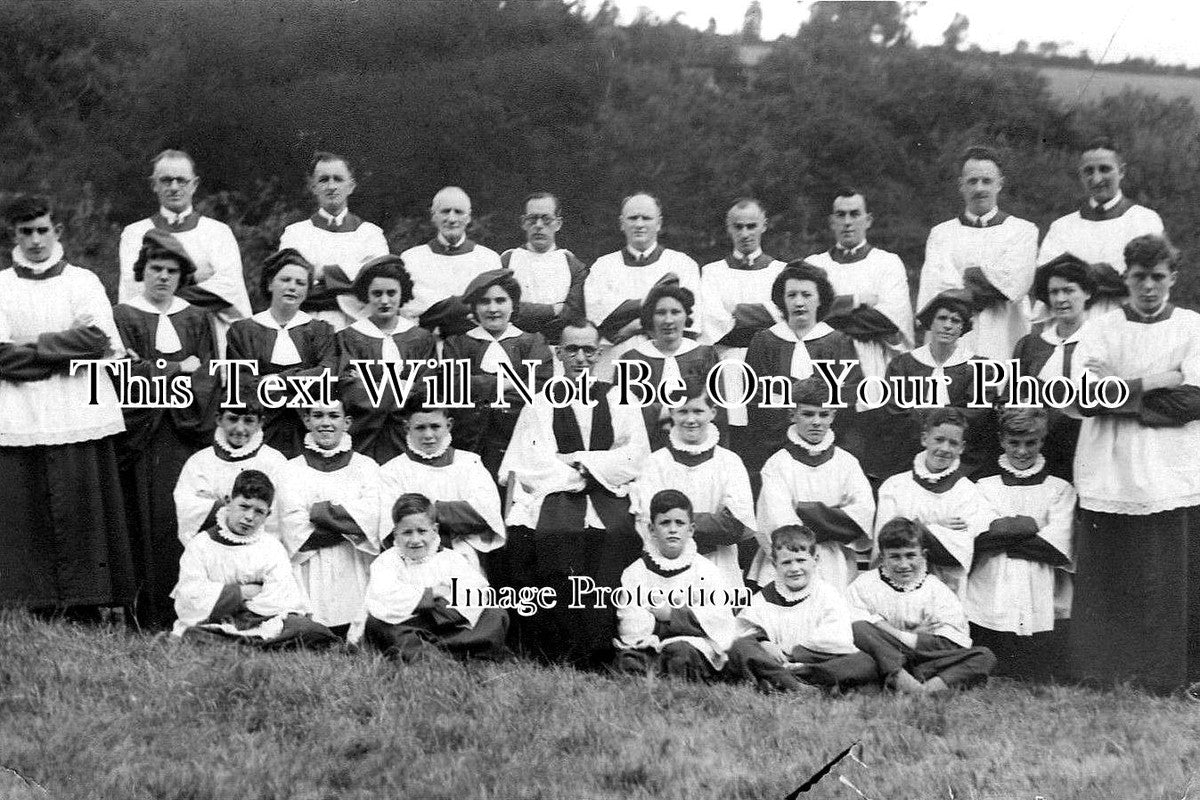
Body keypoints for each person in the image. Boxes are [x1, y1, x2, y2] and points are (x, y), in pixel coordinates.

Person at [1070, 234, 1200, 693]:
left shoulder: (1191, 326)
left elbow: (1191, 401)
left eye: (1158, 277)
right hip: (1108, 467)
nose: (1148, 287)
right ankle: (1101, 671)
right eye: (1139, 277)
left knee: (1166, 577)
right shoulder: (1100, 327)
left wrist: (1118, 391)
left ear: (1173, 279)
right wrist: (1158, 380)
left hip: (1171, 471)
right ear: (1125, 278)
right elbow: (1084, 395)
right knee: (1109, 573)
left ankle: (1166, 674)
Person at [0, 195, 133, 614]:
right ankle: (30, 601)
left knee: (80, 503)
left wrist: (33, 347)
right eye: (27, 232)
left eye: (43, 230)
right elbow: (1, 358)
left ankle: (84, 602)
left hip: (78, 409)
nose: (36, 241)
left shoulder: (83, 281)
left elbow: (99, 341)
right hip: (17, 410)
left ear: (57, 231)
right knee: (25, 506)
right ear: (14, 235)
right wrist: (61, 355)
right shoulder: (1, 285)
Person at [499, 320, 650, 666]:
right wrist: (583, 473)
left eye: (588, 350)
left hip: (608, 491)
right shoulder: (540, 401)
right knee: (556, 534)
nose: (580, 357)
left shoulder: (619, 396)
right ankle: (557, 651)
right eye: (571, 349)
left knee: (618, 535)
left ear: (599, 354)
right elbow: (530, 461)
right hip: (556, 496)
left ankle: (604, 647)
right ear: (558, 353)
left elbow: (635, 455)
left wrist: (582, 463)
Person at [114, 229, 219, 628]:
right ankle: (145, 616)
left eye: (172, 271)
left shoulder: (197, 318)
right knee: (144, 522)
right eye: (156, 269)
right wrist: (175, 368)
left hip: (186, 435)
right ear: (142, 271)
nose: (163, 277)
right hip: (142, 437)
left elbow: (208, 376)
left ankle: (194, 613)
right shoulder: (123, 315)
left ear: (181, 276)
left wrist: (155, 374)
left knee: (185, 517)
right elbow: (122, 375)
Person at [170, 470, 339, 648]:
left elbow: (281, 597)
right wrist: (241, 593)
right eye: (244, 506)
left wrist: (244, 610)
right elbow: (190, 599)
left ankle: (245, 643)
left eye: (259, 511)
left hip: (263, 621)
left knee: (309, 630)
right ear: (228, 502)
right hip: (217, 621)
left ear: (268, 514)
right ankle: (258, 644)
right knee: (193, 633)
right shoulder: (200, 545)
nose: (249, 517)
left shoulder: (271, 547)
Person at [965, 408, 1075, 681]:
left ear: (1042, 441)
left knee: (1038, 668)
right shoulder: (983, 487)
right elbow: (982, 538)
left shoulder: (1059, 489)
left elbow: (1056, 547)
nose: (1022, 451)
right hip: (991, 582)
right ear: (1002, 441)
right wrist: (1032, 526)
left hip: (1042, 584)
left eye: (1031, 443)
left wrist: (1004, 537)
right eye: (1014, 443)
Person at [117, 149, 252, 353]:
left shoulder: (218, 232)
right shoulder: (135, 233)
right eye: (166, 180)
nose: (174, 187)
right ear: (154, 184)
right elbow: (135, 290)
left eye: (182, 180)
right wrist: (194, 277)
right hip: (150, 334)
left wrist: (164, 291)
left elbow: (228, 290)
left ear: (194, 184)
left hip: (213, 335)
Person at [751, 377, 874, 592]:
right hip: (790, 563)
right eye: (808, 414)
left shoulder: (847, 462)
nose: (816, 422)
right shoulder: (778, 464)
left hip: (835, 562)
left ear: (833, 416)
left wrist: (806, 511)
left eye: (823, 414)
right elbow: (779, 524)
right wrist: (833, 517)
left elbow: (863, 514)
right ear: (792, 414)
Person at [848, 517, 997, 693]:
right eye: (895, 557)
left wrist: (891, 630)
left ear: (923, 555)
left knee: (984, 656)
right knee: (858, 629)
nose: (904, 565)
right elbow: (853, 629)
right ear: (882, 557)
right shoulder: (865, 584)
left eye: (910, 555)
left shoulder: (936, 589)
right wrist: (909, 636)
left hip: (924, 661)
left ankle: (919, 689)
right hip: (880, 658)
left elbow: (951, 641)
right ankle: (915, 688)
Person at [917, 146, 1038, 362]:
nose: (979, 188)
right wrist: (988, 282)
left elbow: (1016, 283)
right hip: (955, 337)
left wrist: (965, 281)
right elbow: (936, 290)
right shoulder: (941, 234)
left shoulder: (1023, 230)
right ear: (961, 185)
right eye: (972, 181)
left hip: (1004, 336)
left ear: (1000, 183)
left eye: (987, 181)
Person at [632, 380, 755, 590]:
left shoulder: (729, 461)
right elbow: (648, 522)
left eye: (698, 411)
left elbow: (734, 525)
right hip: (668, 569)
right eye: (683, 412)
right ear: (672, 412)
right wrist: (710, 521)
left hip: (719, 565)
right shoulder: (655, 463)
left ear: (712, 413)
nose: (691, 420)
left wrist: (672, 524)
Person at [359, 493, 510, 662]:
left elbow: (474, 590)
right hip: (409, 624)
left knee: (495, 615)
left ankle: (442, 651)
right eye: (407, 532)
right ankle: (440, 655)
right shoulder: (387, 561)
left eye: (422, 531)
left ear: (435, 530)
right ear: (395, 534)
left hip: (446, 623)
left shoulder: (451, 558)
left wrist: (442, 608)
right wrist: (431, 593)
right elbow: (384, 598)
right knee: (378, 625)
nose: (415, 540)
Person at [730, 525, 882, 693]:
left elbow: (836, 637)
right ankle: (799, 685)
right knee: (740, 646)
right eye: (786, 562)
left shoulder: (826, 593)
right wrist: (764, 642)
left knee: (865, 663)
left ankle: (784, 679)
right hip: (774, 659)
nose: (795, 569)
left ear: (815, 560)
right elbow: (745, 628)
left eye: (801, 560)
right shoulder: (765, 596)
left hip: (812, 662)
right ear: (774, 565)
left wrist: (794, 653)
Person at [743, 262, 861, 475]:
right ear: (782, 300)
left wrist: (812, 419)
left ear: (820, 299)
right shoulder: (765, 341)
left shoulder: (838, 342)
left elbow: (848, 393)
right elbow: (755, 395)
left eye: (806, 295)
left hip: (829, 445)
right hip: (774, 445)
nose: (799, 302)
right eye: (791, 295)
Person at [275, 401, 381, 637]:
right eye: (318, 415)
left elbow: (372, 519)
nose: (325, 423)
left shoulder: (366, 467)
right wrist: (347, 522)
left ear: (347, 422)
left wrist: (320, 514)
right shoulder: (291, 471)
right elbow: (293, 526)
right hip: (309, 563)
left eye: (333, 415)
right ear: (307, 420)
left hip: (354, 561)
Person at [224, 248, 339, 457]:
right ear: (270, 284)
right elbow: (243, 385)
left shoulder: (321, 330)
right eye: (285, 280)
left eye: (300, 283)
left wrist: (278, 380)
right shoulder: (243, 330)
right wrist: (303, 381)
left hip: (307, 428)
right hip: (260, 427)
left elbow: (327, 376)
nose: (292, 287)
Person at [613, 490, 738, 681]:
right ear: (652, 529)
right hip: (650, 642)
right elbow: (630, 620)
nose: (673, 530)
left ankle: (671, 680)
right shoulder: (636, 572)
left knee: (680, 654)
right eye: (665, 523)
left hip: (690, 643)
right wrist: (664, 627)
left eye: (680, 523)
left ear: (691, 529)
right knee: (628, 659)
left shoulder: (705, 570)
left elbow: (718, 618)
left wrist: (671, 615)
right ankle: (652, 676)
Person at [442, 269, 553, 476]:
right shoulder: (458, 343)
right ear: (474, 307)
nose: (493, 309)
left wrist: (478, 386)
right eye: (484, 302)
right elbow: (454, 386)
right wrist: (512, 382)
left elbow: (539, 386)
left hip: (518, 437)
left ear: (513, 305)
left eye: (501, 301)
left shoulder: (531, 342)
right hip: (468, 439)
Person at [1038, 137, 1164, 318]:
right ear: (1081, 175)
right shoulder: (1062, 227)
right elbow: (1048, 279)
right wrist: (1105, 274)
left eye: (1105, 169)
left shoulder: (1144, 220)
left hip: (1126, 320)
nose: (1096, 179)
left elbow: (1143, 278)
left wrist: (1075, 274)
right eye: (1089, 171)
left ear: (1121, 171)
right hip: (1075, 324)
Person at [873, 408, 996, 595]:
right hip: (896, 587)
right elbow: (887, 542)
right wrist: (933, 528)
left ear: (961, 448)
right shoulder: (895, 486)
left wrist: (911, 526)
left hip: (946, 589)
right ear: (925, 439)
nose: (945, 449)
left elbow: (955, 554)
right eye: (939, 439)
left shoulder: (968, 493)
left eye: (953, 443)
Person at [378, 400, 506, 577]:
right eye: (420, 428)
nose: (428, 435)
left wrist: (424, 511)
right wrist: (453, 513)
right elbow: (391, 523)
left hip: (462, 555)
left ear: (449, 425)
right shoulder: (392, 471)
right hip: (411, 562)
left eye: (435, 426)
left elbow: (484, 513)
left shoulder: (469, 463)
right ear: (407, 428)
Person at [879, 289, 997, 479]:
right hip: (910, 455)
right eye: (942, 318)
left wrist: (924, 412)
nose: (948, 326)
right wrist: (947, 413)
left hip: (964, 461)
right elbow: (896, 413)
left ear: (963, 328)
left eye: (956, 321)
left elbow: (978, 416)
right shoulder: (902, 365)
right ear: (931, 323)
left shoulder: (981, 368)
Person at [698, 199, 785, 454]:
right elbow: (713, 320)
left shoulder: (780, 270)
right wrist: (766, 311)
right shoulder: (713, 272)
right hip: (728, 361)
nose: (745, 233)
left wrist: (734, 309)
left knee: (769, 428)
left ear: (764, 226)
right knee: (734, 433)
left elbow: (784, 316)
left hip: (771, 361)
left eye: (751, 226)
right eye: (738, 227)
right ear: (729, 228)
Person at [585, 193, 702, 377]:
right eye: (632, 218)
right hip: (615, 358)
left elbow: (689, 321)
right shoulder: (603, 266)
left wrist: (633, 324)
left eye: (646, 218)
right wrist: (653, 303)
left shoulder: (682, 264)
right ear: (622, 223)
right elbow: (599, 317)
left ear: (659, 223)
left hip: (668, 357)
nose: (639, 224)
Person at [337, 255, 436, 464]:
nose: (384, 301)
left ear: (402, 294)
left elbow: (427, 388)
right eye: (377, 293)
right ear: (366, 296)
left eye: (391, 293)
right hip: (363, 433)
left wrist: (373, 385)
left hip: (408, 433)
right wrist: (402, 386)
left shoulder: (421, 338)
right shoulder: (349, 337)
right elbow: (350, 389)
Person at [807, 189, 914, 380]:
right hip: (824, 361)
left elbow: (888, 322)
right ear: (832, 222)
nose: (847, 222)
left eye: (855, 214)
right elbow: (805, 315)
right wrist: (856, 301)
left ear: (868, 220)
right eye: (841, 215)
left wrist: (829, 312)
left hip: (872, 363)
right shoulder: (814, 265)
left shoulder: (887, 262)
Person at [278, 151, 390, 330]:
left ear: (351, 186)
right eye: (323, 180)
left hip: (358, 325)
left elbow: (377, 278)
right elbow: (290, 280)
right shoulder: (295, 234)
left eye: (338, 179)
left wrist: (321, 275)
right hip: (306, 323)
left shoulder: (370, 234)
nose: (331, 186)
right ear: (313, 187)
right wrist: (348, 280)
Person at [1011, 254, 1097, 482]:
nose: (1060, 299)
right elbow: (1014, 397)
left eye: (1069, 290)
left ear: (1087, 293)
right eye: (1054, 292)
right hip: (1041, 450)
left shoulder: (1103, 341)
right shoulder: (1031, 345)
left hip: (1092, 446)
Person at [622, 283, 721, 450]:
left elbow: (717, 407)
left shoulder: (705, 355)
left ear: (686, 316)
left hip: (698, 442)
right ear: (651, 318)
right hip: (647, 445)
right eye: (660, 313)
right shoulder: (632, 359)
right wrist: (668, 410)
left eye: (675, 312)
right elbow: (624, 414)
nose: (668, 320)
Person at [174, 401, 288, 545]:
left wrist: (219, 504)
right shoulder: (199, 461)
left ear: (260, 423)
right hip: (213, 550)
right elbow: (189, 511)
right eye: (233, 419)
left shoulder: (274, 461)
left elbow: (278, 515)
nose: (240, 429)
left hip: (257, 552)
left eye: (248, 420)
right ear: (219, 419)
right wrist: (222, 507)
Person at [399, 186, 502, 338]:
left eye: (458, 212)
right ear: (434, 216)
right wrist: (465, 305)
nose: (452, 219)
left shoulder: (488, 258)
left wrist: (436, 309)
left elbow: (491, 307)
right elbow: (410, 310)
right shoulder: (411, 258)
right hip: (428, 345)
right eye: (445, 211)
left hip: (474, 345)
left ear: (468, 217)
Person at [500, 191, 588, 343]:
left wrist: (527, 314)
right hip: (514, 345)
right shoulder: (507, 261)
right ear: (523, 223)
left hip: (556, 344)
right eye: (532, 219)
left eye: (546, 219)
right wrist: (553, 310)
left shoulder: (573, 265)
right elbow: (503, 308)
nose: (539, 225)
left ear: (558, 223)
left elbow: (573, 313)